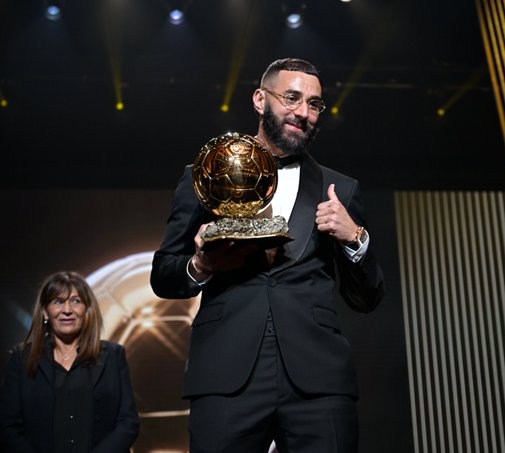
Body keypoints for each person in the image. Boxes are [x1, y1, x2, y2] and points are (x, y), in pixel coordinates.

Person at [150, 57, 385, 453]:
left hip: (319, 381)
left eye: (314, 104)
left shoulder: (339, 189)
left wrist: (354, 237)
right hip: (226, 375)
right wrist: (203, 265)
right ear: (260, 100)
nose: (303, 112)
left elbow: (366, 298)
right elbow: (163, 275)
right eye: (292, 98)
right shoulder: (205, 177)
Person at [0, 271, 140, 452]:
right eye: (58, 301)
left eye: (76, 301)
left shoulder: (113, 356)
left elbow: (128, 423)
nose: (67, 310)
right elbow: (7, 425)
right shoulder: (21, 358)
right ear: (45, 312)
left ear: (87, 310)